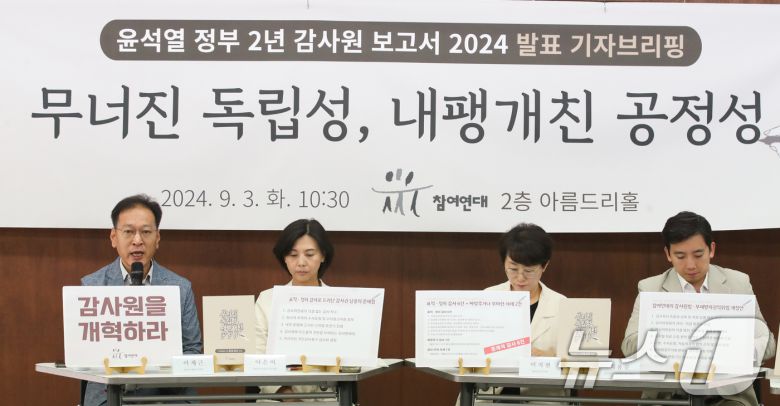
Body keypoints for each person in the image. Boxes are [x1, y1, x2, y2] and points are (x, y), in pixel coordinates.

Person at [621, 211, 776, 406]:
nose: (690, 265)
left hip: (727, 397)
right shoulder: (651, 288)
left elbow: (768, 345)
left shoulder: (737, 283)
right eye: (680, 256)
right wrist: (675, 336)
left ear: (711, 249)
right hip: (668, 396)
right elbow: (628, 347)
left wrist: (732, 346)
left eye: (698, 255)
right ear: (668, 254)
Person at [81, 194, 203, 406]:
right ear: (114, 237)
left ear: (157, 238)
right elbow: (85, 355)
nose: (137, 240)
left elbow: (192, 350)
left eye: (146, 232)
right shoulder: (92, 286)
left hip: (167, 395)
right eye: (128, 232)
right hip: (108, 394)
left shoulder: (180, 288)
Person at [459, 223, 567, 404]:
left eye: (529, 271)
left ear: (544, 266)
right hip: (488, 397)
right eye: (513, 269)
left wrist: (548, 359)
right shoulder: (487, 297)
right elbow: (465, 354)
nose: (520, 278)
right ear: (504, 263)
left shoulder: (562, 305)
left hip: (541, 398)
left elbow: (577, 365)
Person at [255, 218, 334, 401]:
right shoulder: (267, 300)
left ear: (323, 256)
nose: (301, 262)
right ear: (284, 257)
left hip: (329, 398)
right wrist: (288, 396)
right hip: (277, 400)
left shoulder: (340, 302)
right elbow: (256, 358)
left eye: (310, 254)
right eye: (293, 255)